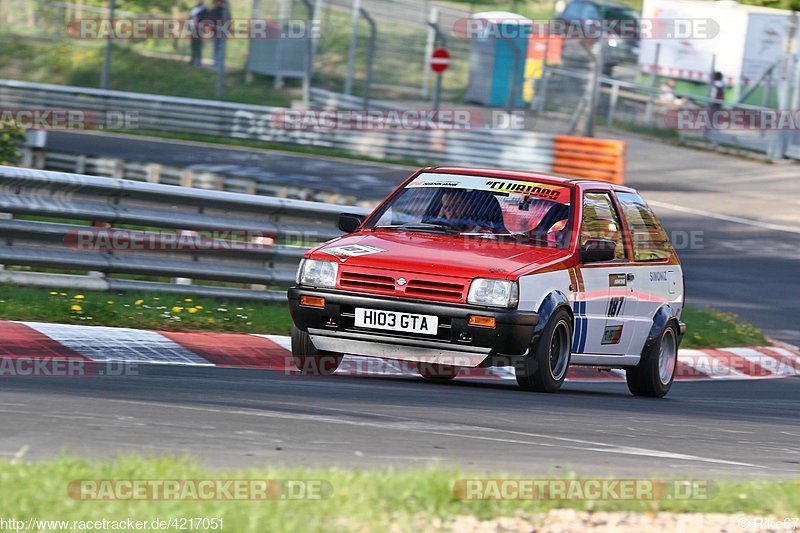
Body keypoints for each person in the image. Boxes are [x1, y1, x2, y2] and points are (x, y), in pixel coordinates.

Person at [205, 0, 230, 69]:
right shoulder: (212, 11)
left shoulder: (225, 11)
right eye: (217, 1)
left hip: (222, 33)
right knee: (215, 48)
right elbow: (208, 21)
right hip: (214, 33)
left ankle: (219, 64)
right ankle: (216, 63)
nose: (218, 3)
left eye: (219, 1)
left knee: (220, 49)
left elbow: (229, 21)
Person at [188, 0, 206, 66]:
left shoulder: (204, 9)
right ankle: (193, 59)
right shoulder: (194, 8)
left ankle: (198, 61)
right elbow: (190, 17)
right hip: (193, 29)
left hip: (200, 29)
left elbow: (206, 20)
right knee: (193, 45)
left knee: (198, 46)